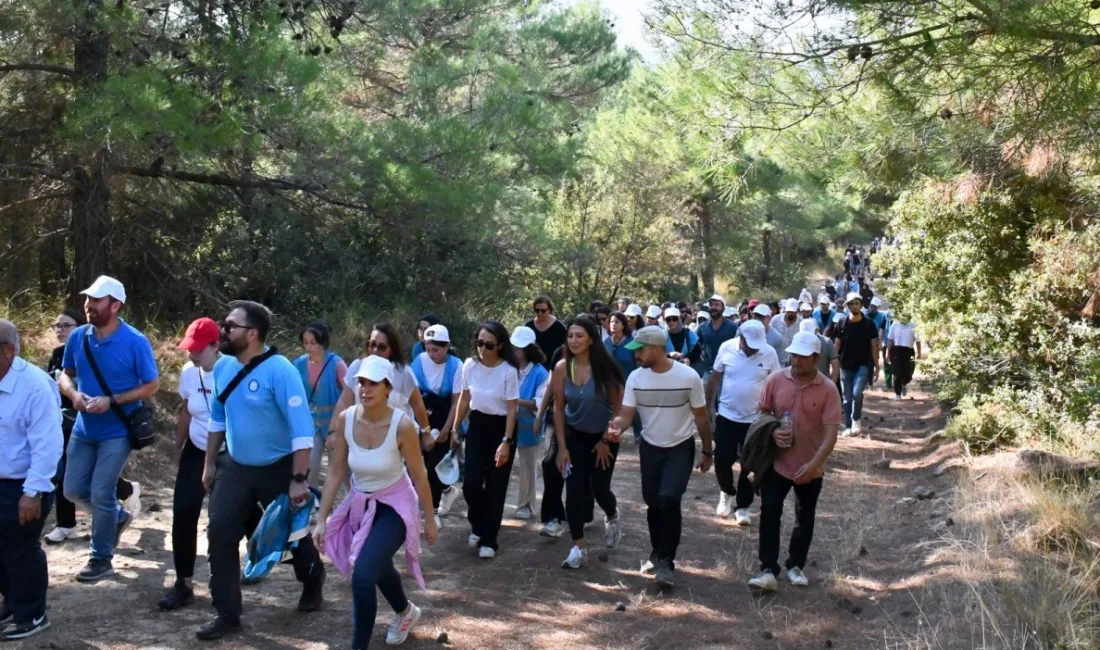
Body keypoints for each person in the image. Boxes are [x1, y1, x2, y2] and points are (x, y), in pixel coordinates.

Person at [198, 301, 324, 640]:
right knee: (220, 533)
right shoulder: (223, 367)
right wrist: (210, 463)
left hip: (279, 469)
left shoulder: (280, 370)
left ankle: (313, 579)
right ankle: (227, 614)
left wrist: (299, 480)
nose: (222, 331)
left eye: (230, 326)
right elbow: (217, 418)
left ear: (252, 334)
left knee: (292, 539)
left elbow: (302, 431)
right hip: (236, 468)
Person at [313, 356, 438, 649]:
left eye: (373, 384)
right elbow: (335, 473)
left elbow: (420, 477)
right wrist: (321, 518)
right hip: (362, 503)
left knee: (364, 573)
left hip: (395, 506)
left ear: (387, 388)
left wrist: (429, 518)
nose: (365, 389)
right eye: (361, 383)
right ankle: (406, 612)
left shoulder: (402, 425)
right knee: (378, 565)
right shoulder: (347, 418)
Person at [58, 276, 159, 582]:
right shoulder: (79, 338)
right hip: (84, 428)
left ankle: (101, 558)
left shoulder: (135, 341)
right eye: (88, 299)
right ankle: (116, 517)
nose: (88, 305)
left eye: (96, 300)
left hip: (118, 430)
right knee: (73, 489)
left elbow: (152, 384)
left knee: (102, 491)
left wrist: (112, 400)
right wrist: (73, 395)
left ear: (115, 306)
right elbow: (66, 375)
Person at [605, 326, 712, 588]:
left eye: (639, 350)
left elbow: (701, 416)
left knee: (669, 499)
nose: (635, 356)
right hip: (650, 448)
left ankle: (666, 561)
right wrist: (616, 427)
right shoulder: (636, 379)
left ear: (655, 349)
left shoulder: (688, 377)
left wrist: (708, 451)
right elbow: (627, 414)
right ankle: (657, 551)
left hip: (679, 447)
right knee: (653, 502)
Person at [749, 332, 842, 591]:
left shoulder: (828, 390)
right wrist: (773, 431)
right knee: (769, 511)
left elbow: (831, 436)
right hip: (775, 463)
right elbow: (762, 414)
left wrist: (813, 466)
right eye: (793, 354)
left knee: (805, 516)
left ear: (816, 358)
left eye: (802, 356)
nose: (796, 360)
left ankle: (795, 564)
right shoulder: (776, 380)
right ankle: (768, 568)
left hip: (810, 466)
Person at [160, 317, 240, 612]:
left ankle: (230, 581)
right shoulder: (188, 373)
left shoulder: (233, 371)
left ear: (216, 346)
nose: (190, 353)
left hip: (229, 453)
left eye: (197, 348)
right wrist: (177, 447)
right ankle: (183, 583)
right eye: (187, 348)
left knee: (225, 521)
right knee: (183, 512)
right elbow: (186, 411)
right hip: (196, 448)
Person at [0, 319, 63, 641]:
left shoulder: (35, 386)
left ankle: (32, 614)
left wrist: (33, 492)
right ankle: (13, 604)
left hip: (24, 484)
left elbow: (48, 444)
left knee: (20, 550)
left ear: (8, 350)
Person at [552, 317, 625, 570]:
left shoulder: (606, 368)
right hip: (575, 438)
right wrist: (561, 448)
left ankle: (613, 515)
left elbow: (619, 410)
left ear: (592, 339)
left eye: (579, 336)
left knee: (599, 489)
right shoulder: (561, 368)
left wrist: (606, 438)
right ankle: (579, 547)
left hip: (603, 439)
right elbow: (558, 409)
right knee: (573, 490)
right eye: (570, 335)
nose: (574, 340)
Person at [453, 322, 520, 559]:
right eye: (479, 343)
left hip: (502, 427)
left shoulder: (509, 371)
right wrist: (454, 428)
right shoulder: (469, 366)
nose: (483, 348)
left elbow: (512, 409)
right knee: (471, 483)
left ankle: (489, 539)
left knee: (495, 485)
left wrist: (506, 441)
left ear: (500, 345)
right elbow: (464, 398)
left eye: (489, 344)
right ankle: (478, 523)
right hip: (478, 425)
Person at [706, 320, 780, 525]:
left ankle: (744, 506)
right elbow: (714, 378)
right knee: (722, 459)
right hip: (727, 415)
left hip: (755, 420)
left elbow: (776, 383)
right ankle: (727, 492)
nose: (753, 349)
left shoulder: (769, 353)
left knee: (751, 463)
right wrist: (708, 406)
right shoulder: (726, 348)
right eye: (749, 344)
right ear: (741, 338)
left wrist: (774, 414)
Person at [329, 325, 433, 460]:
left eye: (382, 347)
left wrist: (426, 432)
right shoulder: (356, 367)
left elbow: (418, 405)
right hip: (363, 438)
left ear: (392, 349)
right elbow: (344, 401)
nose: (375, 350)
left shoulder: (404, 373)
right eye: (371, 345)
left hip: (398, 440)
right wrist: (333, 432)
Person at [409, 325, 464, 521]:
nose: (431, 354)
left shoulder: (457, 365)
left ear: (447, 346)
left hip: (444, 417)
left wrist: (448, 430)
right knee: (419, 463)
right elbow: (412, 395)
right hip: (422, 414)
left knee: (435, 464)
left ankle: (431, 513)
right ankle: (447, 489)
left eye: (436, 350)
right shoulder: (419, 361)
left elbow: (457, 401)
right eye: (428, 349)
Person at [42, 308, 85, 545]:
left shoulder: (88, 352)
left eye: (65, 325)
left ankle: (126, 492)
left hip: (87, 419)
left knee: (84, 473)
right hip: (61, 421)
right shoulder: (57, 353)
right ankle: (65, 524)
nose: (59, 330)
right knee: (62, 470)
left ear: (80, 328)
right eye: (56, 326)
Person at [294, 322, 348, 488]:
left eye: (313, 342)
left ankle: (353, 504)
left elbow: (350, 394)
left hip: (336, 425)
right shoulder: (298, 364)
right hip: (312, 424)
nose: (309, 347)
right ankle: (311, 501)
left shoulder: (337, 364)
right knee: (310, 464)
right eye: (305, 342)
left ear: (323, 342)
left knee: (341, 467)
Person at [511, 327, 550, 521]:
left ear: (528, 349)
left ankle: (526, 505)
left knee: (528, 466)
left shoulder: (541, 373)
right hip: (507, 423)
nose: (514, 351)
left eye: (518, 348)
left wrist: (513, 400)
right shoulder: (507, 367)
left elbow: (538, 402)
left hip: (529, 425)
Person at [834, 293, 880, 436]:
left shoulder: (869, 324)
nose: (854, 306)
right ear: (847, 306)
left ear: (861, 305)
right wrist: (834, 363)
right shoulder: (841, 323)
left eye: (856, 303)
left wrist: (877, 365)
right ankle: (848, 426)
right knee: (847, 397)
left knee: (857, 393)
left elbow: (874, 345)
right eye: (851, 304)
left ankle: (856, 420)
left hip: (863, 364)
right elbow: (837, 344)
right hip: (845, 364)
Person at [697, 295, 739, 383]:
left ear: (723, 308)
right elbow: (697, 347)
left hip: (727, 372)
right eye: (711, 304)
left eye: (716, 305)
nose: (713, 307)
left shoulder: (733, 327)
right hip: (708, 371)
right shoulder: (702, 327)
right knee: (706, 396)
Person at [525, 296, 568, 369]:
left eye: (543, 310)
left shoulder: (559, 327)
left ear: (549, 310)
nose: (540, 313)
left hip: (554, 367)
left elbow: (566, 346)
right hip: (532, 367)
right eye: (537, 310)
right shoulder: (528, 326)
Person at [887, 315, 921, 401]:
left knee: (908, 372)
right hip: (896, 350)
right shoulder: (894, 325)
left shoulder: (913, 325)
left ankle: (904, 383)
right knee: (897, 373)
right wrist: (888, 352)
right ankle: (898, 394)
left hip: (908, 351)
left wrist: (919, 353)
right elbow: (890, 340)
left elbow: (917, 341)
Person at [799, 319, 840, 385]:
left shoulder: (827, 342)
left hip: (822, 384)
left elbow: (835, 364)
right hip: (801, 384)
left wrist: (832, 384)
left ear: (816, 330)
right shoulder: (796, 343)